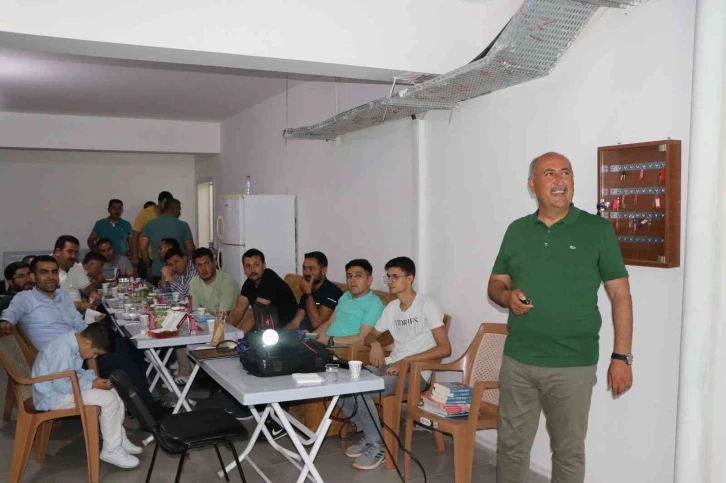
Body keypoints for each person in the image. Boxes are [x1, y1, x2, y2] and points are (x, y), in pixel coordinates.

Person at [487, 152, 633, 483]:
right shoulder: (517, 230)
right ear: (532, 185)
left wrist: (621, 357)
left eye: (565, 173)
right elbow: (496, 283)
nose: (559, 180)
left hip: (572, 365)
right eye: (549, 173)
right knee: (510, 448)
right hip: (519, 360)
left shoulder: (597, 230)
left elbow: (621, 295)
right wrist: (506, 297)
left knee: (568, 453)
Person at [0, 256, 157, 411]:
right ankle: (148, 410)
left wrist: (96, 337)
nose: (50, 277)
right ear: (33, 277)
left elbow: (78, 323)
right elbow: (11, 312)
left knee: (129, 343)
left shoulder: (62, 296)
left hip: (80, 345)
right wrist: (5, 321)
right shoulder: (25, 298)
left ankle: (136, 402)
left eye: (54, 272)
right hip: (60, 359)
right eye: (44, 272)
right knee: (122, 360)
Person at [339, 256, 451, 470]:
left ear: (410, 278)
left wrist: (407, 361)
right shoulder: (391, 307)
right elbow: (372, 335)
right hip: (391, 365)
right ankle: (371, 435)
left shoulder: (427, 305)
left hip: (416, 373)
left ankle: (379, 445)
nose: (390, 281)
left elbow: (445, 348)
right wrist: (375, 345)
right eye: (388, 276)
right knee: (343, 383)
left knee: (363, 389)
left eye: (395, 277)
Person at [32, 323, 142, 469]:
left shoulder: (74, 343)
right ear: (87, 343)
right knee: (108, 399)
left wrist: (94, 380)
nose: (94, 357)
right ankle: (111, 450)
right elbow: (61, 384)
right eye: (95, 353)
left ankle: (119, 439)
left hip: (62, 390)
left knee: (114, 392)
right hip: (52, 397)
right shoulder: (62, 350)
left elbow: (76, 372)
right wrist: (92, 384)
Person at [312, 259, 384, 347]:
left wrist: (329, 340)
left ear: (369, 280)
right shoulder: (346, 295)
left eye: (358, 276)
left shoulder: (374, 304)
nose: (352, 280)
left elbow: (362, 339)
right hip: (324, 343)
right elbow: (330, 322)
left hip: (342, 348)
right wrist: (312, 336)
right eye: (349, 276)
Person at [227, 248, 297, 333]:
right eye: (248, 266)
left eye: (256, 265)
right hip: (267, 328)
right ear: (244, 269)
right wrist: (224, 334)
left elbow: (253, 317)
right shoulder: (249, 282)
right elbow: (237, 313)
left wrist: (235, 338)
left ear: (264, 265)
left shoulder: (270, 280)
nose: (252, 270)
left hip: (286, 330)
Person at [139, 198, 195, 284]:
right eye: (179, 209)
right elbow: (190, 249)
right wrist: (189, 269)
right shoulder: (183, 225)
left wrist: (149, 266)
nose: (180, 213)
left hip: (158, 271)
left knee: (159, 292)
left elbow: (143, 248)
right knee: (181, 292)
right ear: (174, 209)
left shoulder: (150, 224)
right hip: (179, 272)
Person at [287, 251, 343, 331]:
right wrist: (281, 334)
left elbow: (317, 323)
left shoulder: (333, 291)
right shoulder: (308, 290)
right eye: (304, 268)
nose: (306, 273)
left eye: (311, 268)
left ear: (324, 270)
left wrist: (308, 293)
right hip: (302, 334)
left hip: (318, 336)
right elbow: (295, 322)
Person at [131, 191, 173, 279]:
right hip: (146, 258)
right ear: (159, 202)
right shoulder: (144, 213)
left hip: (165, 258)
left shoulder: (170, 215)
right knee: (147, 283)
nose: (167, 206)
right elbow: (135, 235)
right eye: (164, 203)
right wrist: (135, 255)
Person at [53, 235, 101, 313]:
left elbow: (86, 287)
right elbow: (50, 300)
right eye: (70, 251)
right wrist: (79, 306)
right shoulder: (46, 269)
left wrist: (93, 292)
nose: (74, 256)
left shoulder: (74, 266)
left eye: (76, 252)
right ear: (58, 252)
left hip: (78, 316)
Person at [189, 247, 239, 313]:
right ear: (195, 267)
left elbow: (223, 315)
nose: (203, 269)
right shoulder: (194, 282)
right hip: (208, 319)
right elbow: (194, 312)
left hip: (229, 319)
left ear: (214, 262)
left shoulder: (227, 282)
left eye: (207, 263)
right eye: (199, 265)